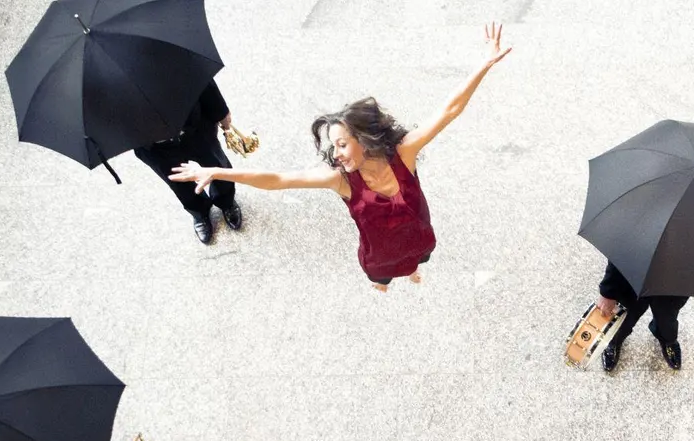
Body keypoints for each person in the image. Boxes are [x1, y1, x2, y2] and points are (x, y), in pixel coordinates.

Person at [169, 23, 511, 290]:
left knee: (420, 259)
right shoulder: (340, 179)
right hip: (379, 253)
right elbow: (278, 180)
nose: (337, 154)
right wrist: (217, 171)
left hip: (418, 234)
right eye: (332, 147)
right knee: (382, 278)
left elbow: (449, 110)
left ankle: (414, 272)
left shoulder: (404, 153)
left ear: (363, 139)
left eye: (342, 145)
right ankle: (386, 283)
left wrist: (484, 64)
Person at [134, 78, 241, 245]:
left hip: (196, 126)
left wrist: (221, 112)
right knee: (178, 182)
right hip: (153, 144)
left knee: (217, 165)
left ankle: (226, 201)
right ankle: (199, 211)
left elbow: (198, 74)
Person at [594, 261, 688, 373]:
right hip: (636, 270)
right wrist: (608, 291)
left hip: (677, 274)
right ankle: (614, 340)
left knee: (667, 316)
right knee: (625, 314)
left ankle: (667, 337)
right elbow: (622, 247)